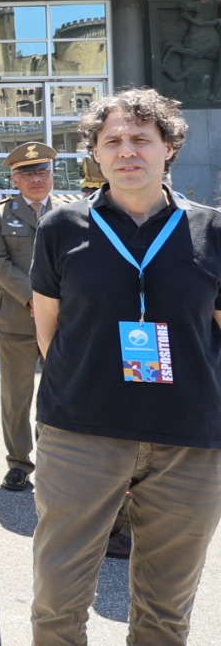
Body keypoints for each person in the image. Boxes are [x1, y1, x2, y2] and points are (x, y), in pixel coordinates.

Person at [29, 89, 221, 646]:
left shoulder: (212, 230)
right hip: (81, 434)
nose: (126, 150)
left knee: (165, 614)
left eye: (141, 138)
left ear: (169, 148)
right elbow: (49, 332)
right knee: (58, 603)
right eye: (111, 140)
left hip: (190, 441)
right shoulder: (61, 227)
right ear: (94, 153)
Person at [0, 141, 57, 494]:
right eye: (28, 174)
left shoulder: (71, 211)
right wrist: (34, 298)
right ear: (15, 179)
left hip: (62, 320)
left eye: (43, 172)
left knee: (58, 392)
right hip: (14, 318)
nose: (37, 180)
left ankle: (53, 457)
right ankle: (18, 462)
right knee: (17, 396)